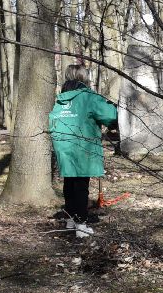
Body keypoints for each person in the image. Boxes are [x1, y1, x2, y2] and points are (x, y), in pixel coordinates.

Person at [48, 64, 119, 239]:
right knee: (81, 185)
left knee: (70, 183)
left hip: (63, 144)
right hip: (82, 144)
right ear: (84, 78)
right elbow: (110, 115)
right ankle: (81, 224)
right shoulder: (88, 97)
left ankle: (71, 220)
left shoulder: (61, 98)